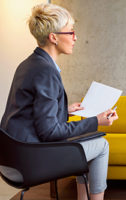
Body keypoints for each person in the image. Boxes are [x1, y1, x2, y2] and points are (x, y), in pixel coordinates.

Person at [0, 3, 117, 200]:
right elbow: (50, 132)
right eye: (71, 32)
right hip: (29, 160)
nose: (75, 38)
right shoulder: (46, 71)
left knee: (88, 143)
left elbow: (30, 113)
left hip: (10, 158)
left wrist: (65, 110)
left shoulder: (29, 64)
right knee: (101, 145)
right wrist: (97, 121)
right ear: (53, 37)